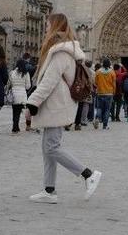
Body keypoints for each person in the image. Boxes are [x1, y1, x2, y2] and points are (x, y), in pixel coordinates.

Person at [25, 13, 102, 204]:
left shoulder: (60, 52)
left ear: (55, 26)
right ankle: (49, 190)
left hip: (56, 104)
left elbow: (49, 81)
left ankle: (88, 174)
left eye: (47, 25)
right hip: (57, 103)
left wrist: (32, 103)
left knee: (51, 147)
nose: (44, 28)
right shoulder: (65, 50)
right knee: (48, 148)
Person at [9, 59, 32, 134]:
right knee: (18, 112)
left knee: (14, 111)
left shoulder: (12, 72)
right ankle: (15, 127)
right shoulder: (26, 73)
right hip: (22, 94)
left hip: (13, 93)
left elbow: (10, 82)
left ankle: (15, 126)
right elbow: (28, 86)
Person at [73, 59, 95, 130]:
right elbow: (92, 81)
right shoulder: (90, 71)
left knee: (77, 105)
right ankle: (81, 121)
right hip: (85, 90)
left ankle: (73, 121)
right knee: (85, 105)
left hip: (76, 89)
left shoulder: (75, 68)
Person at [94, 58, 116, 130]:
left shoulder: (98, 72)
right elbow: (114, 84)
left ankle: (97, 117)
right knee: (107, 109)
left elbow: (95, 82)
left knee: (99, 108)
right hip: (109, 93)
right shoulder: (112, 72)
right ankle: (105, 125)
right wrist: (114, 91)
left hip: (100, 92)